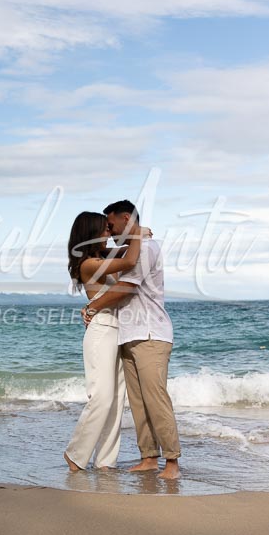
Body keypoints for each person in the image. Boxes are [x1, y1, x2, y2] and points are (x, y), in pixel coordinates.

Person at [82, 200, 180, 480]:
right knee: (138, 402)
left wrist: (92, 307)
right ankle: (148, 458)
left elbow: (127, 287)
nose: (110, 231)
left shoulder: (146, 249)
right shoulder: (135, 246)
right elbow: (107, 253)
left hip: (150, 334)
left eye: (111, 224)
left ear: (126, 218)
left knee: (155, 399)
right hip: (129, 334)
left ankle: (172, 462)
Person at [63, 211, 144, 471]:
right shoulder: (88, 264)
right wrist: (137, 233)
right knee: (102, 397)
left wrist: (133, 236)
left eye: (110, 229)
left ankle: (106, 461)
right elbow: (130, 259)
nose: (109, 233)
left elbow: (124, 251)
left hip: (118, 330)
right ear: (91, 233)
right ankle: (75, 454)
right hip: (101, 331)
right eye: (105, 229)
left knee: (117, 401)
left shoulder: (102, 257)